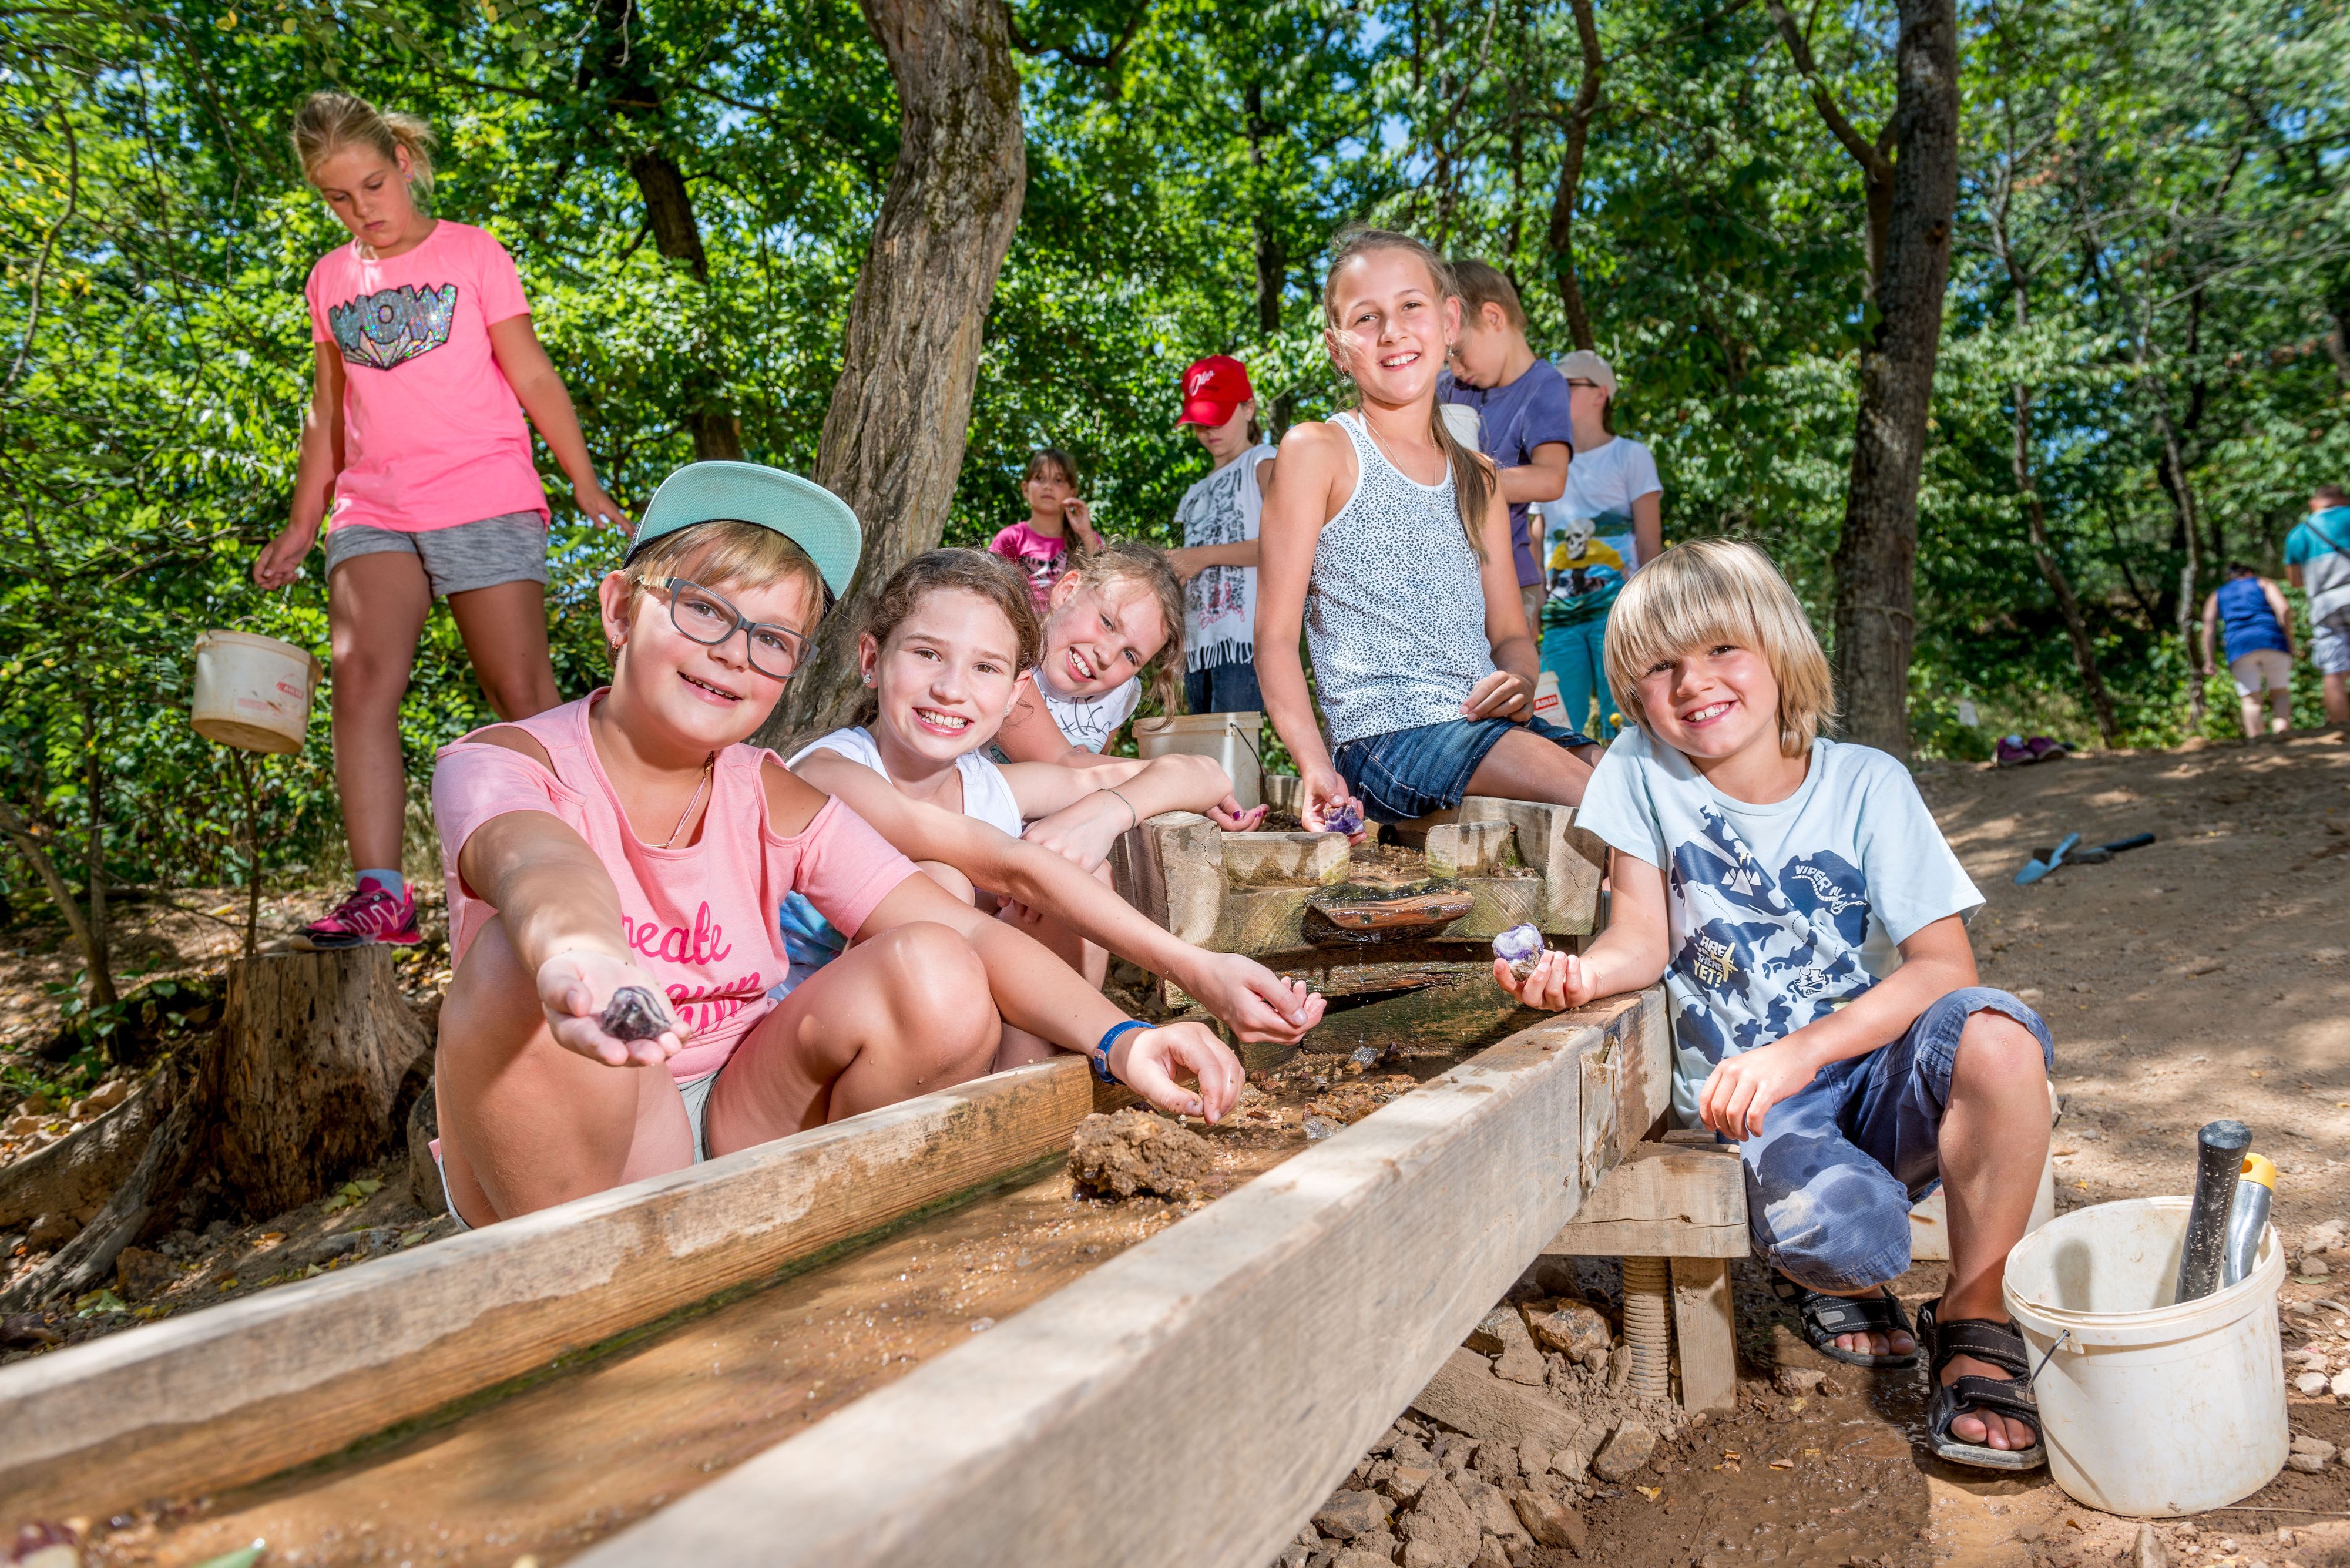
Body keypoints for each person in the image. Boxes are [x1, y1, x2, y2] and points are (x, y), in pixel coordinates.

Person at [428, 461, 1240, 1227]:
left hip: (741, 1101)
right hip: (578, 1111)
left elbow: (966, 930)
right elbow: (539, 861)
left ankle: (822, 1238)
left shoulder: (769, 787)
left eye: (772, 639)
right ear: (618, 608)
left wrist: (1124, 1040)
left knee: (939, 962)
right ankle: (590, 1307)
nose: (732, 652)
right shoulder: (506, 761)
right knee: (511, 960)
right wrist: (582, 954)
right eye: (703, 608)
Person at [1498, 539, 2054, 1473]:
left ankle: (1974, 1308)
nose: (1695, 683)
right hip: (1757, 1105)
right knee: (1852, 1238)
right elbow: (1639, 940)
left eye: (1722, 651)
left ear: (1779, 649)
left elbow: (1943, 966)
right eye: (1661, 668)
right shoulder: (1638, 770)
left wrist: (1800, 1049)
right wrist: (1576, 978)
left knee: (1998, 1039)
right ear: (1633, 695)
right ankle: (1827, 1266)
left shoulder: (1868, 781)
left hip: (1867, 1069)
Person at [253, 91, 626, 952]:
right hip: (373, 508)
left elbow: (530, 372)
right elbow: (328, 410)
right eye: (337, 198)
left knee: (522, 693)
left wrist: (584, 482)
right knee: (359, 682)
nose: (361, 210)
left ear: (406, 165)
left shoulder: (472, 253)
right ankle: (382, 895)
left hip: (483, 495)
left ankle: (588, 865)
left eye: (373, 185)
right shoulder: (328, 280)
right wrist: (303, 522)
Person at [788, 549, 1321, 1067]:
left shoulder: (990, 785)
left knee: (1079, 864)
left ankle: (1025, 1086)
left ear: (1014, 692)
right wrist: (1197, 969)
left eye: (984, 668)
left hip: (952, 1022)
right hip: (811, 1043)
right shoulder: (829, 774)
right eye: (927, 654)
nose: (951, 689)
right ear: (871, 661)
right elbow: (1007, 863)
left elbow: (1203, 773)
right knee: (947, 882)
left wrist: (1106, 811)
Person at [1257, 229, 1597, 834]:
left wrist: (1517, 681)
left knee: (1619, 773)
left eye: (1410, 306)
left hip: (1480, 724)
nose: (1391, 331)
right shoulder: (1319, 450)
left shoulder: (1481, 479)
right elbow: (1276, 639)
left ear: (1448, 320)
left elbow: (1511, 635)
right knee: (1594, 796)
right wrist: (1314, 764)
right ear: (1337, 348)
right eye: (1366, 317)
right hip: (1383, 737)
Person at [1438, 261, 1573, 634]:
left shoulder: (1543, 388)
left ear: (1493, 317)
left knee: (1507, 682)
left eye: (1457, 350)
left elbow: (1550, 479)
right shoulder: (1450, 387)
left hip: (1509, 575)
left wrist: (1467, 478)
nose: (1454, 366)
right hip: (1449, 575)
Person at [1537, 350, 1661, 741]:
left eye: (1567, 385)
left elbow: (1651, 544)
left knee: (1626, 722)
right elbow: (1534, 541)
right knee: (1555, 727)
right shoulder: (1542, 463)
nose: (1554, 394)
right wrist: (1530, 614)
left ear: (1600, 393)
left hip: (1619, 614)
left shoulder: (1631, 455)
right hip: (1559, 618)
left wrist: (1651, 617)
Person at [990, 540, 1194, 764]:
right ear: (1067, 592)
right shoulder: (1008, 658)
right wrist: (1177, 772)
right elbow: (1066, 769)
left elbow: (1094, 767)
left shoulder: (1121, 694)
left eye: (1129, 655)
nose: (1107, 656)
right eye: (1108, 623)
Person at [1166, 356, 1278, 716]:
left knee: (1234, 753)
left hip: (1246, 642)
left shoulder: (1264, 462)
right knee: (1207, 749)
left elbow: (1288, 545)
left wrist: (1204, 556)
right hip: (1198, 645)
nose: (1209, 430)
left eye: (1218, 417)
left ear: (1248, 409)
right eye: (1199, 423)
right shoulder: (1194, 492)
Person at [988, 448, 1103, 615]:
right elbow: (989, 588)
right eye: (1040, 478)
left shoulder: (1086, 538)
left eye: (1058, 480)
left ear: (1072, 492)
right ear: (1025, 489)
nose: (1048, 486)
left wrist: (1085, 531)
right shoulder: (1010, 538)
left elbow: (1105, 584)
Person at [2200, 561, 2297, 737]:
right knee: (2280, 693)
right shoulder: (2263, 583)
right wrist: (2289, 640)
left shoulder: (2218, 594)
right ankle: (2282, 735)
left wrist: (2209, 660)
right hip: (2272, 640)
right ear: (2250, 572)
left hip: (2239, 646)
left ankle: (2256, 742)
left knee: (2251, 699)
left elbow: (2208, 627)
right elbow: (2283, 609)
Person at [2287, 485, 2350, 727]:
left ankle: (2342, 728)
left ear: (2313, 504)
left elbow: (2295, 582)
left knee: (2334, 669)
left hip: (2326, 604)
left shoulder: (2299, 533)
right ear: (2343, 500)